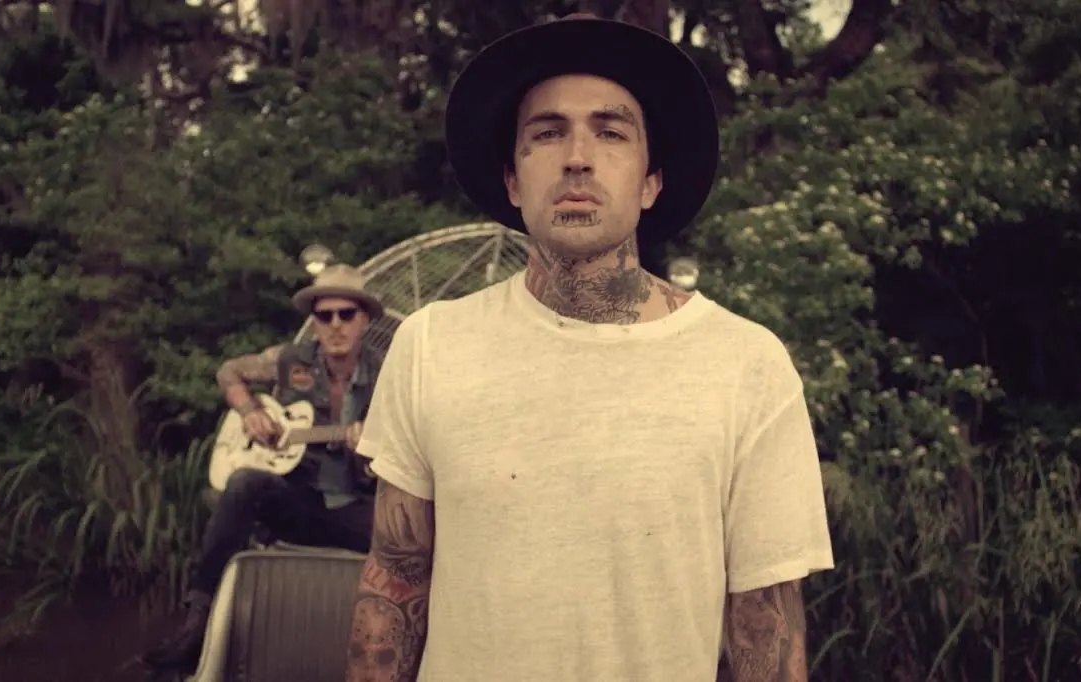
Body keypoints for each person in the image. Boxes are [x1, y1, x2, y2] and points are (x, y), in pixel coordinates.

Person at [346, 13, 835, 682]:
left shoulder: (745, 364)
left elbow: (766, 625)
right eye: (547, 133)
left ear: (650, 181)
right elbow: (394, 584)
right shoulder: (431, 345)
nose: (577, 156)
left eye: (610, 132)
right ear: (513, 181)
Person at [144, 264, 386, 674]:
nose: (335, 325)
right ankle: (197, 624)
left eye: (346, 314)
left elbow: (390, 460)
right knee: (243, 483)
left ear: (364, 319)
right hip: (297, 502)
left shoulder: (386, 374)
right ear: (314, 321)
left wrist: (368, 451)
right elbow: (229, 372)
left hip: (353, 509)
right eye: (324, 315)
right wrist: (251, 412)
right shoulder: (290, 360)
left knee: (406, 527)